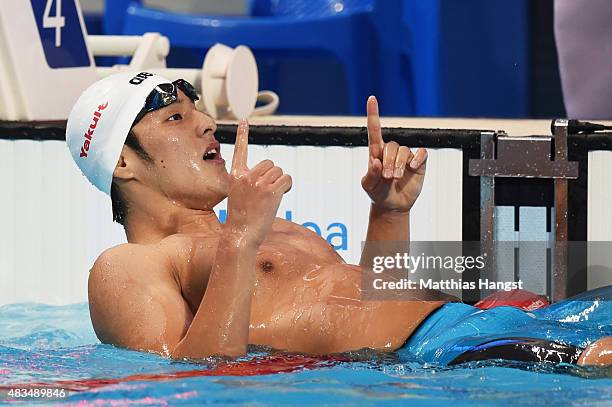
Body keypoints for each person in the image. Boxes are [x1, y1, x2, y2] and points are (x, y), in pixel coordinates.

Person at [66, 72, 611, 366]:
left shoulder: (267, 229)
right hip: (442, 358)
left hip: (459, 329)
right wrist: (237, 240)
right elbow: (188, 380)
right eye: (176, 118)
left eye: (200, 111)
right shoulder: (126, 266)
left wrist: (389, 211)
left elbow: (382, 299)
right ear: (122, 161)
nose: (208, 124)